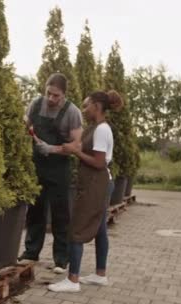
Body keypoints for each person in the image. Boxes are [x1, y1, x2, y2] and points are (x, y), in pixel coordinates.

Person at [47, 90, 123, 292]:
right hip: (95, 183)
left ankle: (72, 280)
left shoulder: (102, 130)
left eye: (86, 105)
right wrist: (51, 147)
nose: (83, 109)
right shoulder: (94, 128)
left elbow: (98, 162)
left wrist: (76, 152)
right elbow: (77, 146)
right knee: (99, 230)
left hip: (95, 184)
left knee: (77, 228)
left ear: (97, 106)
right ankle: (100, 275)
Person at [19, 73, 83, 274]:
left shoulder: (72, 112)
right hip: (37, 164)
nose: (52, 99)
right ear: (44, 89)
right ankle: (31, 252)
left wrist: (52, 149)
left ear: (64, 95)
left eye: (56, 96)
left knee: (60, 213)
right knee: (35, 210)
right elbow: (25, 125)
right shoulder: (36, 104)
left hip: (59, 167)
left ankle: (61, 258)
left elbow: (76, 144)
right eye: (49, 94)